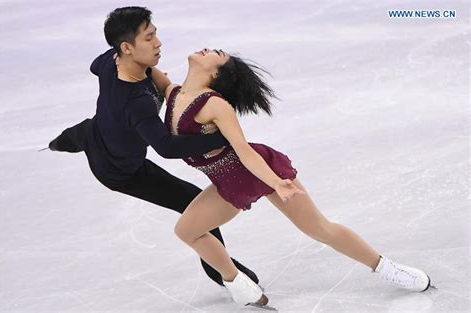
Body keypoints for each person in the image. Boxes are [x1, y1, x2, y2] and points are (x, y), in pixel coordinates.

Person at [157, 48, 433, 307]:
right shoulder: (172, 93)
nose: (206, 49)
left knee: (318, 228)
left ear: (215, 74)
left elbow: (243, 150)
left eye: (215, 53)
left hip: (256, 169)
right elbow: (140, 66)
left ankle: (387, 267)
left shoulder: (215, 105)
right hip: (228, 182)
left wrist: (276, 182)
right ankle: (238, 282)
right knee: (186, 230)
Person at [47, 7, 259, 287]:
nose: (158, 42)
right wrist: (223, 139)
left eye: (155, 33)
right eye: (148, 38)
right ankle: (221, 271)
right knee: (191, 201)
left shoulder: (111, 61)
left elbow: (95, 66)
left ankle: (61, 142)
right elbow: (167, 146)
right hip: (120, 170)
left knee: (80, 134)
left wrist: (165, 84)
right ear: (127, 47)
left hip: (95, 130)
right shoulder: (136, 104)